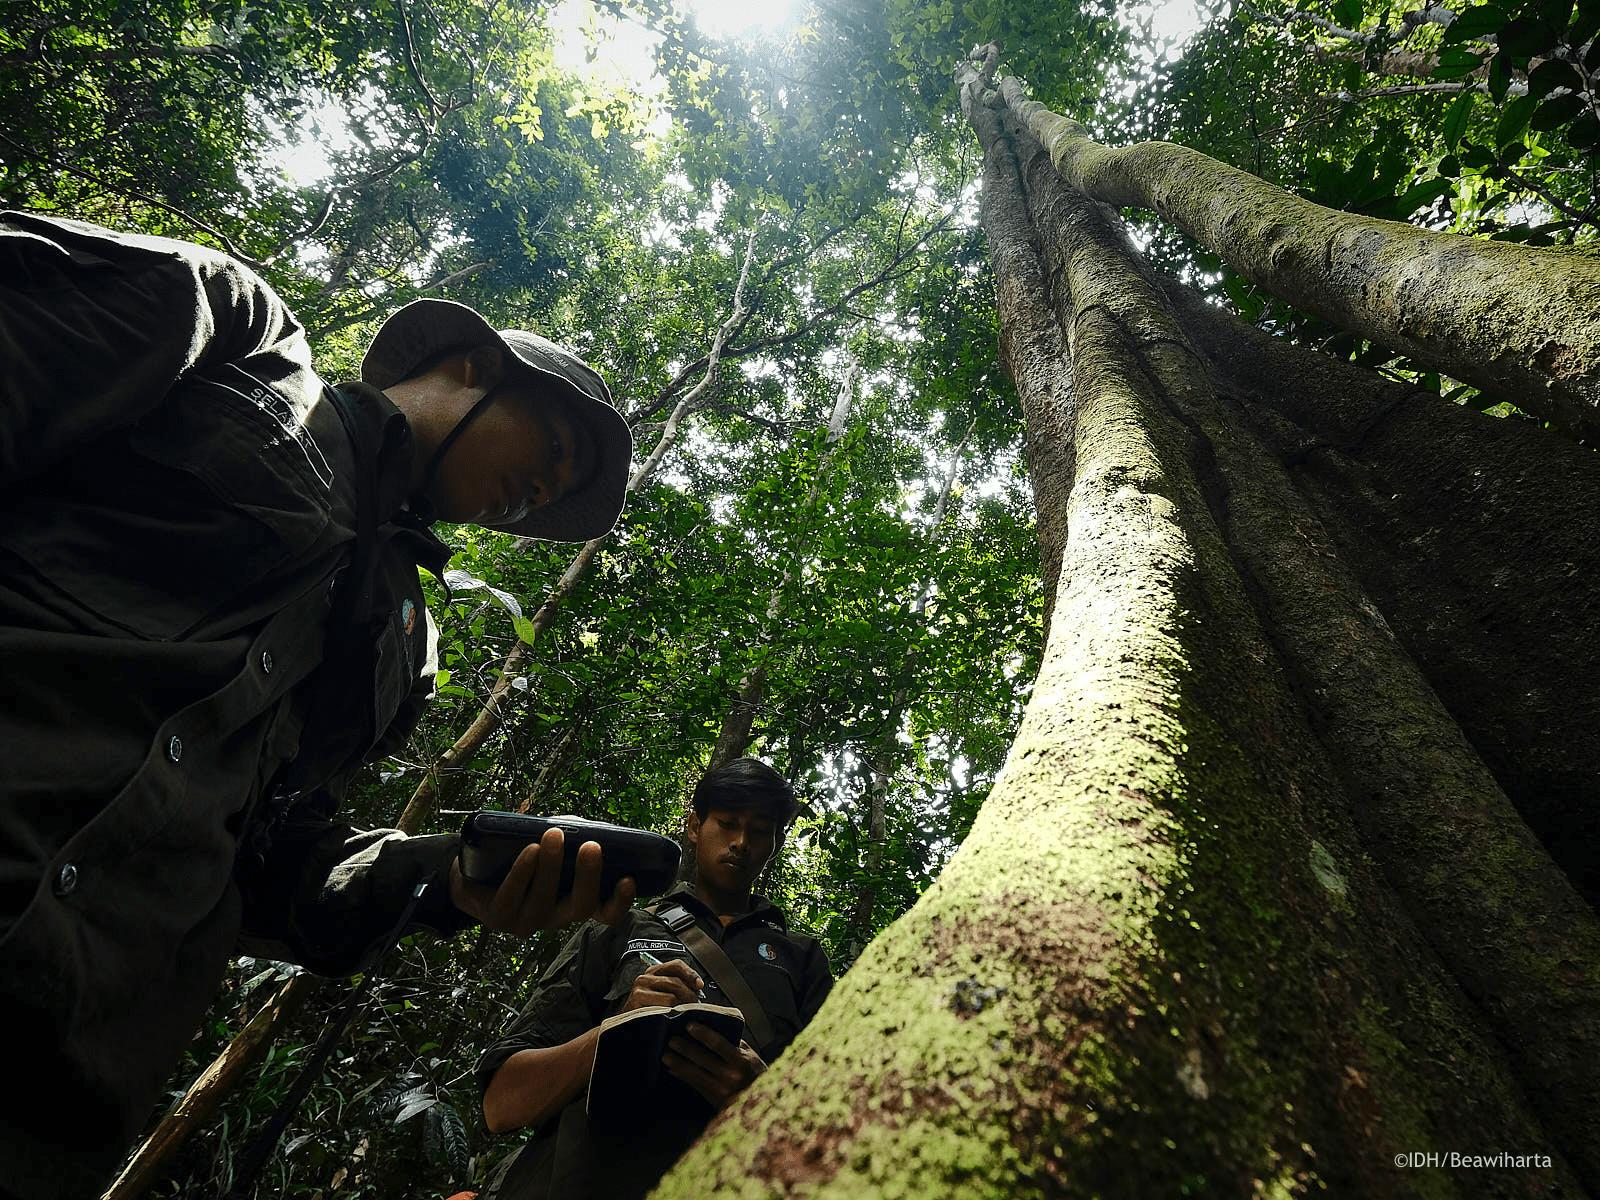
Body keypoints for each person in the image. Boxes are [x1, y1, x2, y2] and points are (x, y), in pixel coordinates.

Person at [0, 211, 639, 1200]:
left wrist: (449, 884)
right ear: (468, 365)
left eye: (556, 490)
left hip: (50, 1091)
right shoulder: (236, 332)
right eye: (552, 442)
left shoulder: (403, 655)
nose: (544, 486)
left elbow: (264, 866)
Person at [475, 757, 834, 1200]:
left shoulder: (802, 958)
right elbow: (502, 1105)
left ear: (774, 845)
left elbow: (841, 1131)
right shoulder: (617, 927)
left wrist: (763, 1099)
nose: (741, 842)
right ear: (694, 826)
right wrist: (619, 1026)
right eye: (728, 822)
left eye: (760, 831)